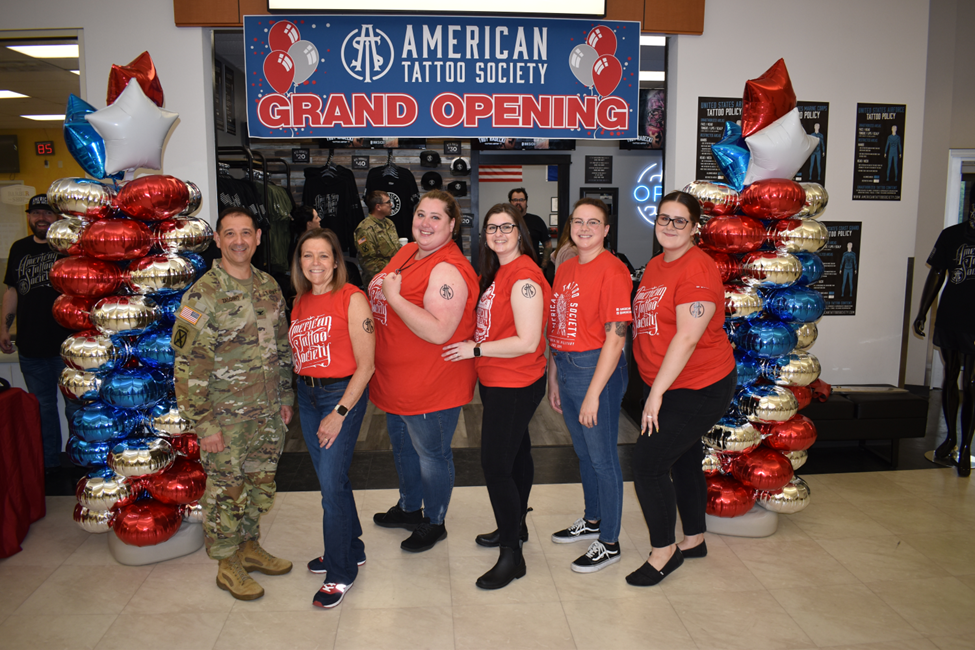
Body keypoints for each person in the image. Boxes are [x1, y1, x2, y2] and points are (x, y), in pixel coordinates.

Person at [172, 207, 295, 602]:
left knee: (260, 485)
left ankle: (249, 546)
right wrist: (203, 425)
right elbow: (187, 365)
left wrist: (286, 397)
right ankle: (227, 563)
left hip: (267, 413)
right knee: (227, 491)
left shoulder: (269, 286)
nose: (239, 240)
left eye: (246, 233)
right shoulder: (202, 294)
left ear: (259, 237)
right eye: (230, 234)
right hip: (224, 420)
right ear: (218, 240)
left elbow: (282, 347)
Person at [627, 191, 736, 586]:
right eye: (663, 218)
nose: (669, 227)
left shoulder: (697, 269)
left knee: (648, 463)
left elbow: (687, 338)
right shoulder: (657, 264)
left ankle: (664, 552)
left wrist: (655, 393)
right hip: (666, 382)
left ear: (695, 227)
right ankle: (695, 538)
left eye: (679, 221)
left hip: (699, 384)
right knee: (683, 457)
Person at [442, 203, 550, 589]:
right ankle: (515, 527)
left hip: (515, 382)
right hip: (500, 380)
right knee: (517, 455)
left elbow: (527, 340)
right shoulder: (501, 273)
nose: (499, 233)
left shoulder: (523, 277)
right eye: (492, 228)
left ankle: (512, 555)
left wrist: (476, 349)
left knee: (495, 465)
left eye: (507, 227)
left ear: (520, 232)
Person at [367, 190, 479, 552]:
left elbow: (438, 330)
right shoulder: (408, 251)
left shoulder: (447, 268)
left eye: (435, 217)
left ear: (451, 225)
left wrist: (396, 298)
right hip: (396, 380)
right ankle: (409, 508)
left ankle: (435, 520)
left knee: (431, 455)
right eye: (420, 214)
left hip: (431, 382)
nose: (425, 223)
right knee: (402, 449)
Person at [289, 227, 375, 608]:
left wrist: (340, 412)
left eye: (324, 255)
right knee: (332, 479)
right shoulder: (300, 301)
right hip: (307, 395)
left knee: (329, 486)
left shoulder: (352, 298)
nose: (316, 263)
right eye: (308, 255)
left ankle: (341, 572)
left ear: (336, 261)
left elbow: (367, 365)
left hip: (340, 395)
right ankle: (350, 546)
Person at [547, 198, 632, 573]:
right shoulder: (565, 268)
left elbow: (616, 338)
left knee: (603, 459)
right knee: (583, 454)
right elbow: (558, 326)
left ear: (606, 230)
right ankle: (593, 519)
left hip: (596, 370)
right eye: (578, 221)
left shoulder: (613, 270)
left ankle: (609, 541)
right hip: (567, 367)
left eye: (593, 223)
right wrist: (553, 377)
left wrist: (594, 393)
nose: (584, 228)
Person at [1, 194, 77, 472]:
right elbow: (12, 291)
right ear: (29, 217)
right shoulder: (19, 248)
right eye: (35, 213)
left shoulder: (68, 248)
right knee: (42, 407)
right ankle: (49, 464)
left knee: (75, 407)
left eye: (47, 213)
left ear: (58, 218)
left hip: (66, 345)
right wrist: (4, 327)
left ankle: (80, 459)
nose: (41, 218)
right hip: (31, 346)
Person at [913, 208, 975, 476]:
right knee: (950, 377)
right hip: (951, 314)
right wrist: (922, 311)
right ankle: (950, 438)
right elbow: (937, 273)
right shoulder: (952, 235)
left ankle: (965, 447)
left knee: (970, 383)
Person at [355, 190, 401, 286]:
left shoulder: (389, 223)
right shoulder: (365, 229)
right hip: (378, 282)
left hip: (395, 276)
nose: (391, 204)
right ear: (378, 207)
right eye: (387, 202)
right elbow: (368, 262)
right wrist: (384, 278)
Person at [508, 188, 551, 268]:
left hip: (533, 268)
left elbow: (548, 245)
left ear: (526, 202)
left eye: (521, 200)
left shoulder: (537, 221)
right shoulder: (505, 222)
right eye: (515, 200)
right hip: (510, 268)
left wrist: (543, 267)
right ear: (510, 202)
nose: (518, 202)